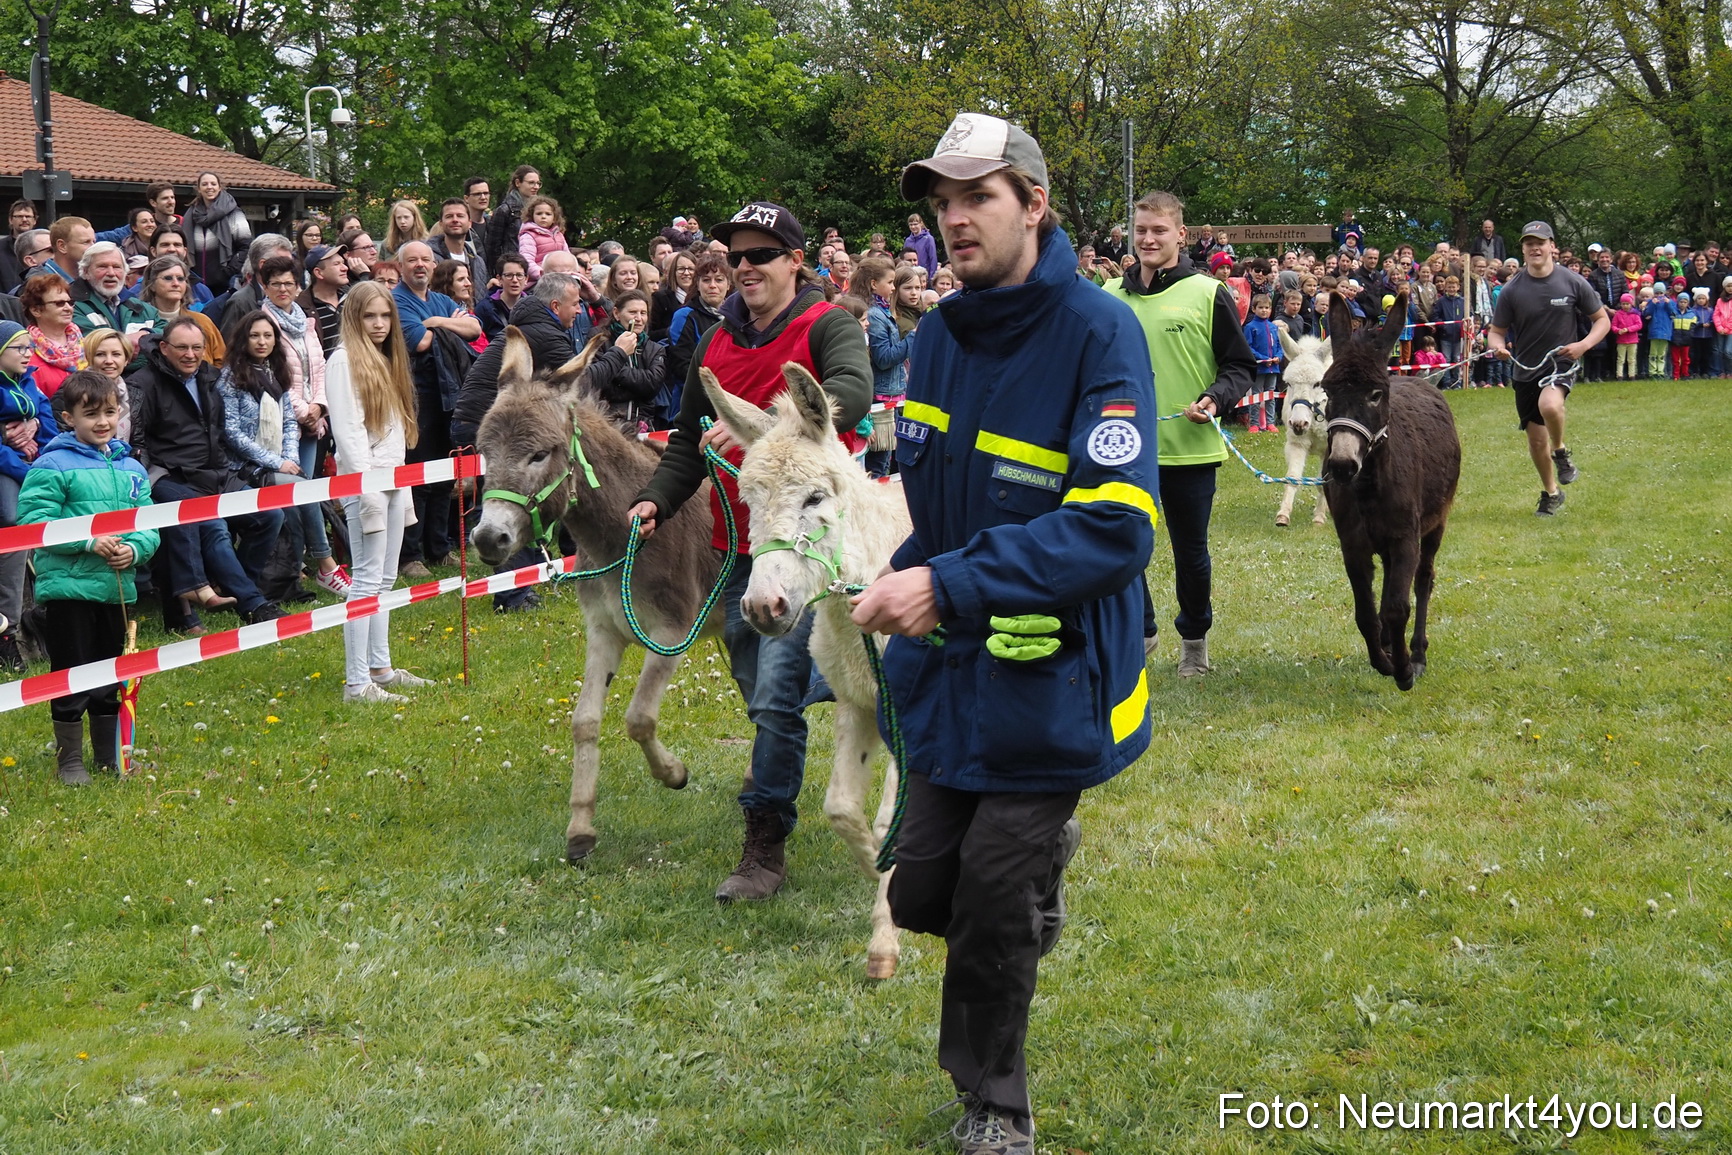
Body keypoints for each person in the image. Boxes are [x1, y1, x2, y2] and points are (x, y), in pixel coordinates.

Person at [848, 113, 1156, 1155]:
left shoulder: (1098, 331)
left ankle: (994, 1102)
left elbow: (1112, 527)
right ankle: (1032, 887)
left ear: (1034, 202)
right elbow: (936, 513)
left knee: (987, 901)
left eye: (976, 197)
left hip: (1050, 678)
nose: (953, 221)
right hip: (947, 675)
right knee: (927, 887)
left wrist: (946, 584)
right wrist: (891, 577)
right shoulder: (933, 336)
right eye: (940, 203)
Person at [626, 200, 871, 904]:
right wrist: (655, 499)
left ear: (797, 260)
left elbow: (852, 394)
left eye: (761, 255)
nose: (745, 268)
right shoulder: (714, 342)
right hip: (736, 548)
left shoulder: (826, 326)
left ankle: (764, 846)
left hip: (805, 550)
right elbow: (685, 438)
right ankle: (826, 695)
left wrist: (764, 432)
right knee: (757, 677)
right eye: (736, 256)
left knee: (772, 693)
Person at [1101, 190, 1255, 676]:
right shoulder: (1109, 295)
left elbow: (1239, 366)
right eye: (1141, 230)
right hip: (1123, 448)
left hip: (1190, 449)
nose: (1148, 239)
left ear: (1181, 235)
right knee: (1121, 546)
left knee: (1191, 555)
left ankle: (1194, 643)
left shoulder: (1209, 292)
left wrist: (1216, 397)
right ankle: (1142, 631)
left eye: (1159, 230)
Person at [17, 370, 158, 781]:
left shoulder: (131, 467)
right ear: (67, 418)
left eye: (110, 412)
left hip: (116, 589)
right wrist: (86, 542)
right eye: (91, 413)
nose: (102, 422)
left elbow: (148, 524)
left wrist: (135, 549)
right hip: (69, 589)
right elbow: (33, 523)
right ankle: (70, 760)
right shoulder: (50, 466)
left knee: (110, 671)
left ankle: (106, 754)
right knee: (71, 672)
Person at [128, 316, 284, 622]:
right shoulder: (142, 383)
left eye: (197, 348)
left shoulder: (211, 377)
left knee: (270, 514)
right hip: (168, 476)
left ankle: (239, 587)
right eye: (182, 348)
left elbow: (220, 429)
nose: (190, 355)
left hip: (216, 472)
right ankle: (252, 604)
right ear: (164, 347)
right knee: (211, 524)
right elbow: (136, 440)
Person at [324, 281, 431, 702]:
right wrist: (367, 491)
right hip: (365, 482)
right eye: (370, 315)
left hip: (391, 478)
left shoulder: (385, 361)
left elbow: (391, 433)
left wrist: (396, 488)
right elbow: (348, 434)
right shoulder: (343, 361)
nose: (380, 324)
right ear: (354, 318)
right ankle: (356, 682)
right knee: (366, 579)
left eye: (385, 315)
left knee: (385, 577)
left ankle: (379, 668)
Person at [1487, 222, 1608, 516]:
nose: (1534, 248)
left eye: (1540, 242)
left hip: (1560, 363)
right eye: (1529, 244)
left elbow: (1602, 320)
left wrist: (1582, 346)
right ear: (1523, 249)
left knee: (1550, 405)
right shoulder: (1512, 289)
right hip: (1525, 369)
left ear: (1552, 245)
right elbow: (1496, 331)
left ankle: (1561, 452)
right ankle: (1552, 492)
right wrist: (1498, 347)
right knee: (1535, 440)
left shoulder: (1573, 282)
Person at [393, 241, 480, 576]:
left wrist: (438, 322)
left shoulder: (440, 301)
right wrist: (442, 325)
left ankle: (439, 549)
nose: (419, 265)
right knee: (417, 478)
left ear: (433, 266)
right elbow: (419, 341)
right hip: (417, 399)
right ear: (400, 267)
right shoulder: (397, 300)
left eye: (425, 260)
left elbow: (474, 329)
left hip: (450, 397)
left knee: (446, 477)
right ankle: (410, 556)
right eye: (412, 260)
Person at [0, 319, 62, 671]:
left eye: (28, 347)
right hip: (10, 468)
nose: (27, 354)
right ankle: (7, 628)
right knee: (12, 520)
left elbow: (49, 423)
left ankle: (51, 612)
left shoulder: (29, 381)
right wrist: (30, 472)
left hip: (33, 463)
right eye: (18, 348)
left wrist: (45, 452)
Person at [216, 309, 299, 489]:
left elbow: (290, 421)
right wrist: (276, 463)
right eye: (254, 335)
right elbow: (231, 432)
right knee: (299, 490)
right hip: (244, 467)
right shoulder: (230, 377)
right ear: (243, 340)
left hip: (280, 461)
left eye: (267, 335)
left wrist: (289, 460)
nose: (262, 342)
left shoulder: (276, 372)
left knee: (302, 491)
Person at [660, 253, 730, 423]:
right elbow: (681, 365)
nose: (712, 285)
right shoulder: (684, 316)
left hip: (730, 405)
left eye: (719, 280)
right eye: (706, 280)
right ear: (697, 284)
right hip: (692, 406)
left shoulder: (738, 317)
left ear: (728, 285)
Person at [585, 288, 664, 430]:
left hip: (641, 423)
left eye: (643, 313)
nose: (639, 319)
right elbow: (599, 382)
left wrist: (613, 368)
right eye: (633, 312)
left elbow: (652, 386)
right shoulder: (599, 339)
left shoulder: (654, 349)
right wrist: (636, 386)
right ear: (616, 313)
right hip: (605, 421)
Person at [20, 274, 87, 398]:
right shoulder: (23, 352)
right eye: (59, 303)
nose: (68, 308)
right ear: (36, 310)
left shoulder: (87, 345)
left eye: (70, 302)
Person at [183, 173, 251, 290]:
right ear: (199, 189)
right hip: (196, 283)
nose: (209, 187)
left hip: (224, 283)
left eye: (213, 184)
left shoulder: (233, 213)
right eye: (204, 184)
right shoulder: (191, 215)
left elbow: (246, 246)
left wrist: (229, 271)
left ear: (220, 187)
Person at [79, 329, 134, 441]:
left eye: (116, 354)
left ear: (126, 360)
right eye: (100, 354)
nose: (109, 361)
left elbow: (138, 443)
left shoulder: (134, 393)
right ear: (89, 358)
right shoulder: (74, 390)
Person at [484, 165, 541, 270]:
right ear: (518, 183)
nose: (536, 187)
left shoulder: (540, 211)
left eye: (538, 183)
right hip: (513, 269)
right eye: (531, 183)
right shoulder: (505, 210)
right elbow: (493, 248)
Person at [430, 259, 488, 355]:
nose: (468, 283)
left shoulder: (468, 310)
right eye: (461, 279)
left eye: (468, 278)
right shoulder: (438, 311)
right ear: (446, 284)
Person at [428, 197, 488, 289]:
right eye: (449, 216)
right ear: (441, 224)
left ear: (469, 223)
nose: (455, 220)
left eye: (460, 216)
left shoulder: (478, 262)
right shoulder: (429, 258)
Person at [298, 243, 348, 351]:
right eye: (337, 264)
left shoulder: (352, 298)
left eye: (343, 263)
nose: (345, 268)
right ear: (319, 273)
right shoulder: (301, 309)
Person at [1243, 294, 1282, 430]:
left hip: (1274, 367)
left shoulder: (1273, 327)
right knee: (1256, 396)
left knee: (1270, 395)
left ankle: (1270, 423)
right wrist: (1262, 358)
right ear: (1254, 309)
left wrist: (1278, 357)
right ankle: (1254, 423)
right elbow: (1248, 347)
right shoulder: (1250, 327)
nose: (1264, 310)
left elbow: (1279, 346)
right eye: (1261, 307)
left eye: (1267, 308)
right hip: (1259, 367)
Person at [475, 252, 530, 340]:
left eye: (519, 275)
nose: (515, 280)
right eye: (509, 275)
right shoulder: (485, 308)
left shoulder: (534, 307)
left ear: (526, 279)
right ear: (499, 279)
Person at [649, 250, 697, 341]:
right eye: (681, 269)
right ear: (673, 272)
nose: (686, 273)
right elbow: (650, 333)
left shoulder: (701, 299)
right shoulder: (660, 298)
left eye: (691, 269)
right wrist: (672, 331)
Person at [904, 211, 939, 276]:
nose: (913, 227)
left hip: (925, 275)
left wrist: (932, 277)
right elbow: (904, 260)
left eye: (915, 224)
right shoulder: (908, 241)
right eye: (911, 225)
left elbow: (933, 258)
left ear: (921, 224)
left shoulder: (928, 239)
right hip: (911, 275)